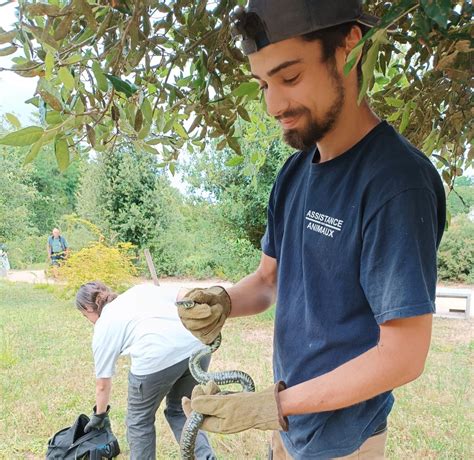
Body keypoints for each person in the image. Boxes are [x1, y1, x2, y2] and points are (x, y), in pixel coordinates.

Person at [178, 1, 446, 459]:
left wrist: (273, 405)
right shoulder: (295, 172)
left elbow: (403, 355)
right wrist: (224, 302)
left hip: (345, 442)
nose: (273, 105)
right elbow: (269, 280)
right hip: (287, 427)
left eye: (290, 78)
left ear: (349, 49)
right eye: (264, 84)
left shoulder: (397, 183)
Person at [75, 281, 216, 460]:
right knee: (182, 409)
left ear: (88, 308)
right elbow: (186, 294)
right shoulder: (140, 290)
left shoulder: (103, 325)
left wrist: (100, 415)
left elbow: (103, 384)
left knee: (139, 421)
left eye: (84, 315)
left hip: (156, 358)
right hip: (197, 346)